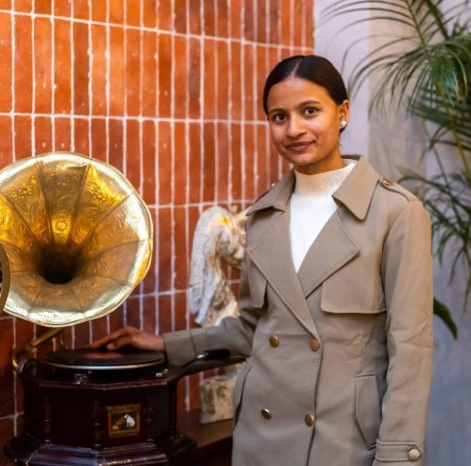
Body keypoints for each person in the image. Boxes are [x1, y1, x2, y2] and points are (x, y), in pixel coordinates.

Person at [92, 55, 433, 466]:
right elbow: (253, 327)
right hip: (260, 438)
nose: (294, 129)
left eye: (310, 111)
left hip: (343, 443)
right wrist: (166, 345)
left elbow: (410, 348)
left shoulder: (396, 212)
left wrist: (397, 458)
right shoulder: (263, 216)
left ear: (342, 113)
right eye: (279, 117)